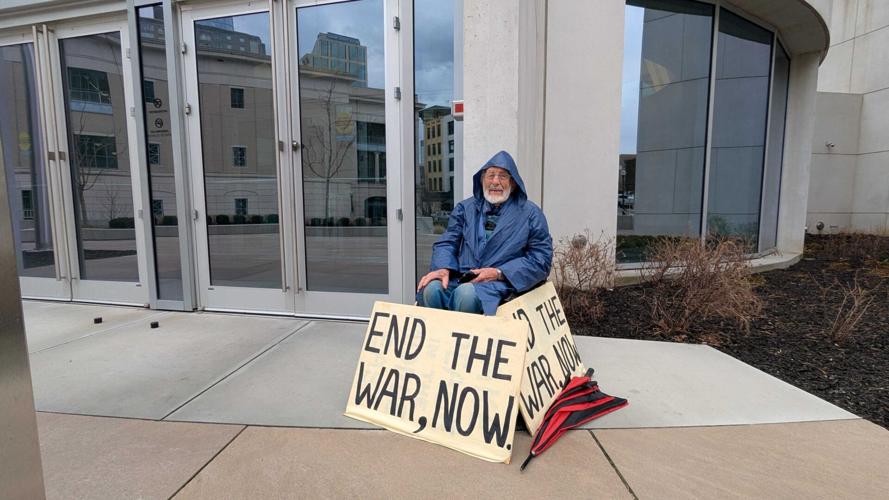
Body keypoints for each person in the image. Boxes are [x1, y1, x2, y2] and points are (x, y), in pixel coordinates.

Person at [416, 150, 553, 315]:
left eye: (502, 176)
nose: (495, 181)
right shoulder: (465, 209)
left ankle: (464, 339)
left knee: (466, 294)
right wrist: (443, 268)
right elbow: (448, 242)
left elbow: (541, 260)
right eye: (491, 175)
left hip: (502, 284)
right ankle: (437, 340)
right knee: (432, 289)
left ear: (514, 183)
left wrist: (499, 273)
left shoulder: (531, 214)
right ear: (482, 180)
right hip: (462, 277)